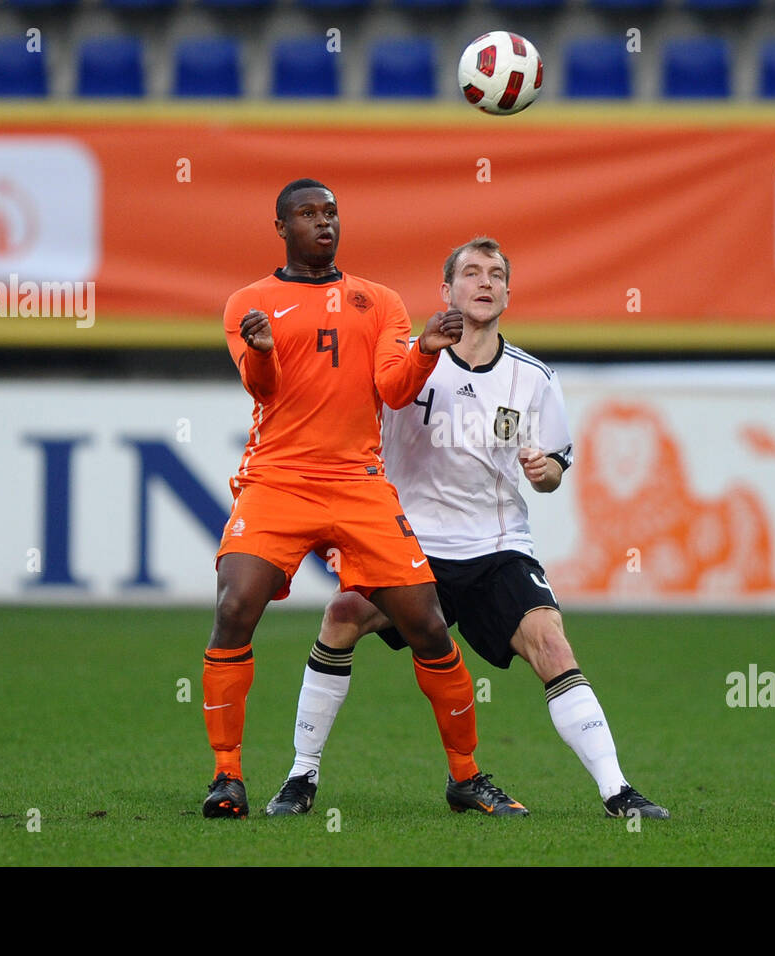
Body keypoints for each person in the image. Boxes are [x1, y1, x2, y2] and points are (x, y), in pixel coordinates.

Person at [265, 237, 669, 820]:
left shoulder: (533, 377)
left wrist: (546, 469)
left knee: (551, 642)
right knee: (342, 615)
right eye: (472, 273)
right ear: (446, 291)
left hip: (497, 546)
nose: (485, 283)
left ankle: (617, 790)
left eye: (496, 275)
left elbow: (555, 468)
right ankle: (301, 777)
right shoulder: (407, 360)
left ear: (507, 292)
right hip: (408, 543)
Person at [202, 182, 525, 819]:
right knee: (236, 604)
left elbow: (394, 390)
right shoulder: (250, 303)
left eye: (330, 213)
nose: (323, 223)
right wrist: (262, 352)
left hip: (357, 484)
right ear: (280, 227)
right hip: (278, 479)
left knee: (428, 624)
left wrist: (427, 353)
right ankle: (227, 777)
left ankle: (465, 777)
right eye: (307, 214)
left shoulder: (379, 302)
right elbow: (260, 389)